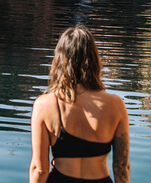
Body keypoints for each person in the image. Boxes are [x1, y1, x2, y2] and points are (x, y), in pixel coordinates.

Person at [29, 25, 130, 183]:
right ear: (94, 60)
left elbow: (39, 170)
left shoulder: (44, 105)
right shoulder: (116, 105)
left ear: (59, 61)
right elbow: (122, 167)